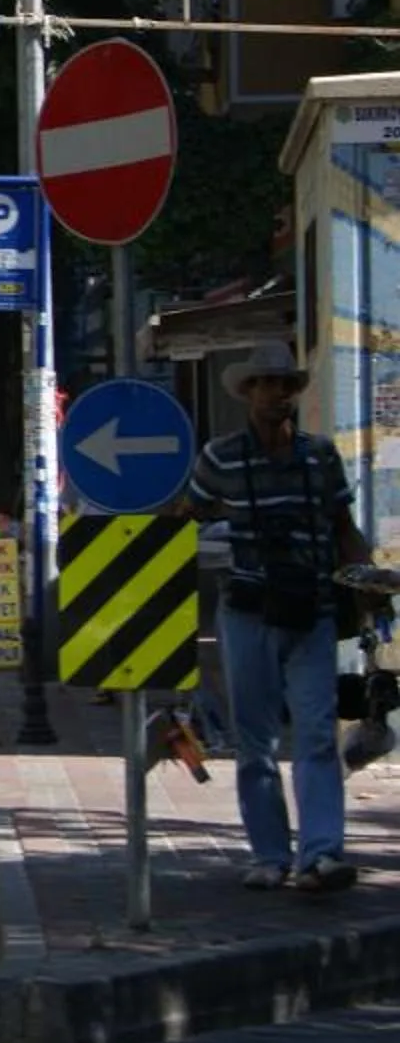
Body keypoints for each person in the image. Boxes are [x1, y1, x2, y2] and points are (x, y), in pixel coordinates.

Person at [185, 343, 370, 894]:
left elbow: (344, 529)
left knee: (315, 735)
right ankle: (269, 855)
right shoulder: (219, 459)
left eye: (285, 383)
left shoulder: (321, 457)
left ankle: (321, 855)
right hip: (247, 615)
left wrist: (368, 585)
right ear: (247, 393)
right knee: (255, 741)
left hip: (312, 612)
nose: (277, 394)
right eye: (265, 383)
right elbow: (184, 518)